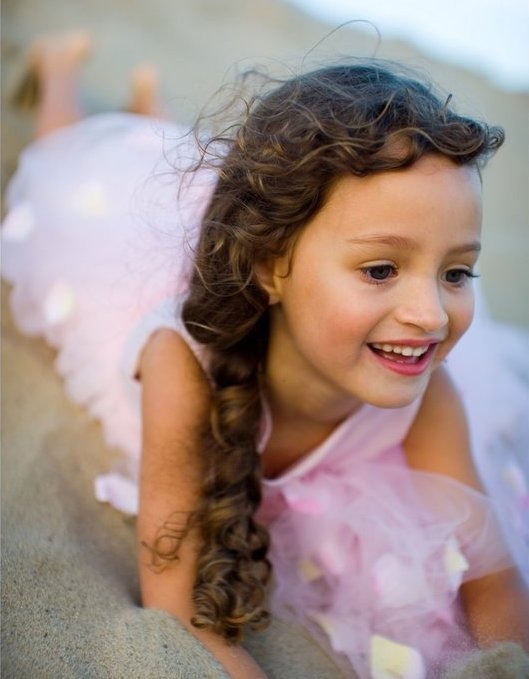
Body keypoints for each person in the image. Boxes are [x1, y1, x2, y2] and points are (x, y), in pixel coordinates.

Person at [3, 32, 529, 679]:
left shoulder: (430, 393)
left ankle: (150, 105)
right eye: (381, 268)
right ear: (269, 266)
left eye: (455, 272)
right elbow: (178, 606)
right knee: (75, 172)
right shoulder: (182, 365)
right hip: (122, 259)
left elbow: (495, 579)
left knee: (172, 160)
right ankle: (58, 70)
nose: (429, 313)